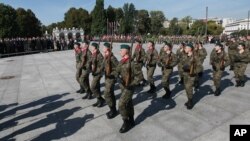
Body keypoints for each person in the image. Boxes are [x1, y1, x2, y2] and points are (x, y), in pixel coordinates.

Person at [113, 44, 136, 133]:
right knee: (129, 102)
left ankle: (126, 122)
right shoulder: (122, 61)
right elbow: (117, 71)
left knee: (121, 104)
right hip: (122, 86)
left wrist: (132, 84)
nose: (120, 51)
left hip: (129, 87)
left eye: (121, 50)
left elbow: (140, 77)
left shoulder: (133, 63)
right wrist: (115, 76)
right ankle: (131, 119)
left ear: (127, 51)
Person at [181, 43, 201, 109]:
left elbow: (200, 67)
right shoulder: (185, 55)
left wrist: (192, 71)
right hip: (185, 74)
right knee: (186, 88)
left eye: (186, 48)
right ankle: (189, 99)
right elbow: (181, 63)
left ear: (190, 49)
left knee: (189, 87)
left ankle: (190, 101)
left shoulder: (195, 57)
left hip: (191, 75)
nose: (185, 49)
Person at [103, 42, 119, 118]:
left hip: (111, 78)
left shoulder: (112, 58)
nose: (103, 48)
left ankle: (113, 110)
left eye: (104, 47)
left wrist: (112, 74)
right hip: (107, 78)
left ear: (108, 48)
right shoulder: (106, 56)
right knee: (110, 94)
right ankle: (112, 109)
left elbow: (118, 68)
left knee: (107, 94)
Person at [90, 42, 105, 107]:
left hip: (98, 73)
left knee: (93, 87)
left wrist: (97, 72)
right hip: (94, 72)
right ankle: (98, 100)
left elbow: (102, 66)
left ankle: (100, 99)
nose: (91, 48)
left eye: (92, 47)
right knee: (97, 87)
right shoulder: (93, 54)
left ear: (95, 48)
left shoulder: (99, 55)